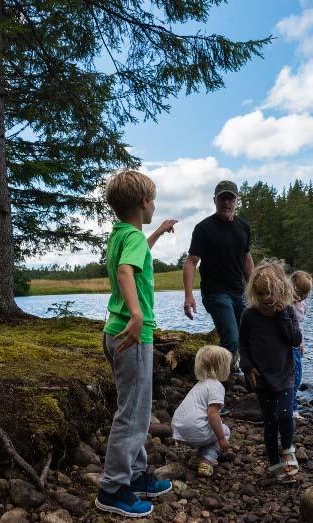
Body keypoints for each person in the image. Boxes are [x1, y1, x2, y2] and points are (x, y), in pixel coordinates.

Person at [95, 169, 177, 518]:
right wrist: (136, 314)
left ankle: (137, 475)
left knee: (138, 410)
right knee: (132, 414)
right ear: (144, 203)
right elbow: (127, 271)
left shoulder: (121, 234)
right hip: (132, 336)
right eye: (153, 200)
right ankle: (113, 488)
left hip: (115, 332)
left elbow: (136, 256)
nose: (154, 206)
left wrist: (156, 233)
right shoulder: (130, 238)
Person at [239, 260, 302, 482]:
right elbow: (243, 344)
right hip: (261, 378)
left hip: (284, 374)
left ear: (281, 290)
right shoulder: (249, 315)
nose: (267, 298)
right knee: (269, 422)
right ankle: (274, 461)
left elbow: (295, 340)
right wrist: (246, 367)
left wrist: (283, 314)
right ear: (255, 292)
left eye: (271, 293)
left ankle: (287, 450)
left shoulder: (287, 312)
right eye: (262, 293)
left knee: (285, 415)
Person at [183, 180, 253, 373]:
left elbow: (247, 258)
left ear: (237, 201)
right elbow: (191, 262)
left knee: (246, 335)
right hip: (215, 293)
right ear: (214, 200)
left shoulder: (244, 227)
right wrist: (188, 295)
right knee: (231, 336)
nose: (226, 203)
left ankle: (238, 372)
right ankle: (221, 381)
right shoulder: (203, 228)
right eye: (222, 198)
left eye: (230, 198)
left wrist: (255, 288)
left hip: (239, 292)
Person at [171, 345, 232, 477]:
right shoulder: (216, 386)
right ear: (222, 367)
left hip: (179, 430)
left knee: (207, 426)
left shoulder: (200, 385)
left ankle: (198, 454)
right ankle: (208, 459)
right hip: (196, 431)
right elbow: (212, 414)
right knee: (225, 430)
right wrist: (221, 438)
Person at [290, 270, 313, 421]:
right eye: (301, 293)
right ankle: (292, 408)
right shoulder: (286, 305)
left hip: (296, 344)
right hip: (288, 346)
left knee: (297, 376)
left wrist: (302, 342)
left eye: (306, 294)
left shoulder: (301, 304)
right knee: (294, 376)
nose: (303, 297)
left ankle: (290, 403)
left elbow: (300, 327)